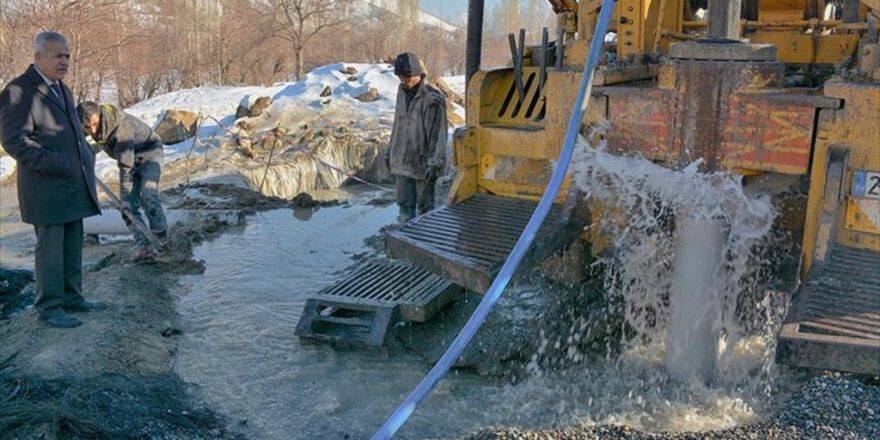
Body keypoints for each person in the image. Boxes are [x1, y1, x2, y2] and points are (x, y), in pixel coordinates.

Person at [0, 31, 105, 328]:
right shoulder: (19, 91)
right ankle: (49, 307)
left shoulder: (63, 89)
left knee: (73, 242)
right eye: (58, 56)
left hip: (72, 183)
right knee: (50, 248)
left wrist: (85, 154)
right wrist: (57, 163)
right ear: (38, 57)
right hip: (45, 186)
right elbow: (14, 141)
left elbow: (72, 132)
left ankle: (73, 298)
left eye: (67, 56)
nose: (64, 61)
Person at [76, 101, 167, 260]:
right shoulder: (90, 125)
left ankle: (162, 238)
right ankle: (144, 244)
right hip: (129, 159)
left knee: (148, 195)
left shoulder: (121, 129)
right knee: (127, 209)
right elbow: (76, 137)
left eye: (95, 125)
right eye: (87, 127)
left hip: (150, 156)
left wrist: (125, 197)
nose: (92, 130)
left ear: (100, 117)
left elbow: (126, 168)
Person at [387, 52, 448, 223]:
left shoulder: (432, 97)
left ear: (417, 74)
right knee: (404, 206)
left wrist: (434, 163)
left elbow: (439, 133)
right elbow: (397, 124)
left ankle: (423, 239)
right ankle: (405, 238)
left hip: (423, 164)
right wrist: (389, 152)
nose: (403, 81)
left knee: (425, 209)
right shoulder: (401, 91)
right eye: (400, 77)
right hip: (401, 161)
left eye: (406, 77)